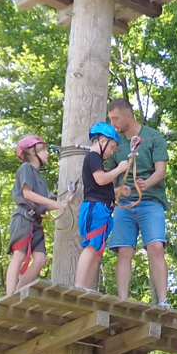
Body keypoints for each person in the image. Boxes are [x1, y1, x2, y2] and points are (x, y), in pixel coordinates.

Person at [107, 99, 171, 307]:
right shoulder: (114, 144)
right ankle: (123, 302)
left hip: (150, 202)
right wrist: (118, 191)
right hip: (124, 205)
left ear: (128, 116)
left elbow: (161, 170)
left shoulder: (153, 136)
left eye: (115, 119)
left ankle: (163, 301)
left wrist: (147, 183)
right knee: (124, 251)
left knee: (155, 246)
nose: (113, 123)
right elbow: (109, 179)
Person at [5, 136, 72, 295]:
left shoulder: (41, 180)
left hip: (35, 221)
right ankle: (9, 295)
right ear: (31, 151)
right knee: (19, 256)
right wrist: (55, 204)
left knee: (40, 259)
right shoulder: (26, 168)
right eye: (43, 150)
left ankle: (18, 292)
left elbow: (42, 204)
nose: (48, 153)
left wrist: (62, 203)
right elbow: (27, 194)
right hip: (24, 217)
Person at [74, 123, 132, 292]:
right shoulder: (93, 158)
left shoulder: (97, 161)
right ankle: (79, 284)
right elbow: (100, 179)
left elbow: (100, 186)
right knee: (92, 245)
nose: (111, 151)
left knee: (97, 249)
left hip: (102, 208)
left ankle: (86, 286)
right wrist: (119, 169)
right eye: (111, 147)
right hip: (95, 208)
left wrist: (118, 191)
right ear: (102, 140)